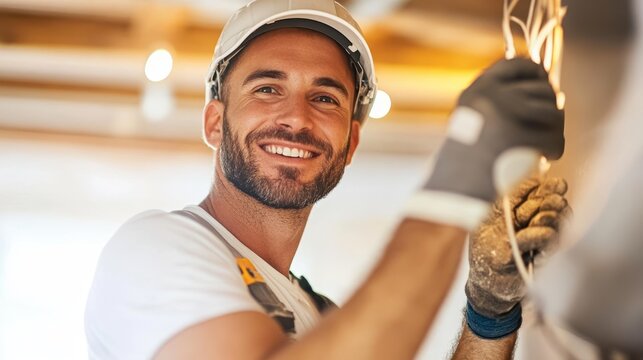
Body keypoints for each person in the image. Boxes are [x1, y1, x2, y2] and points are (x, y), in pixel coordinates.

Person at [84, 0, 568, 359]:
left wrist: (489, 313)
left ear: (351, 143)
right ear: (214, 122)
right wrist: (459, 179)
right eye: (267, 88)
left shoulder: (321, 318)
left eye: (326, 98)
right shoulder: (154, 248)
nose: (296, 119)